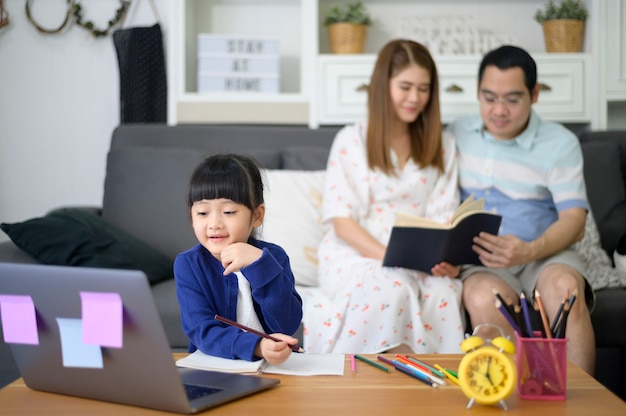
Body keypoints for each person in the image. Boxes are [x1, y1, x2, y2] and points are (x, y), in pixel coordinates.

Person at [304, 39, 466, 354]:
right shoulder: (351, 140)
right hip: (358, 253)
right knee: (393, 286)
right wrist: (392, 256)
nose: (415, 98)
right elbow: (342, 221)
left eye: (424, 88)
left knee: (445, 292)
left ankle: (439, 394)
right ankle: (374, 388)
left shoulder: (443, 145)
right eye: (405, 87)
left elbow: (446, 216)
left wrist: (449, 261)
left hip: (420, 259)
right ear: (383, 85)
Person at [447, 45, 596, 375]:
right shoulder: (457, 134)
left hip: (544, 253)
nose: (499, 110)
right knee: (486, 298)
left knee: (565, 290)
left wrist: (529, 249)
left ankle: (584, 405)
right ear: (477, 93)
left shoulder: (560, 142)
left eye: (512, 99)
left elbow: (575, 220)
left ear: (535, 94)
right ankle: (510, 400)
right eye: (489, 98)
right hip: (483, 262)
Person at [174, 154, 303, 366]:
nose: (214, 223)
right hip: (213, 367)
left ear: (257, 216)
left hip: (274, 368)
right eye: (203, 212)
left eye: (228, 211)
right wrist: (257, 346)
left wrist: (261, 266)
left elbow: (287, 324)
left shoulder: (274, 257)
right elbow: (201, 331)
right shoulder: (189, 265)